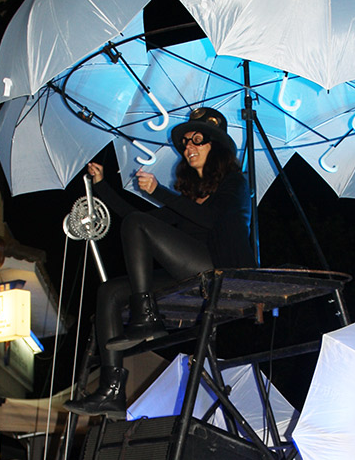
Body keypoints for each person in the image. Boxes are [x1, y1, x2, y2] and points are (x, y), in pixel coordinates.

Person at [70, 108, 253, 417]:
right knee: (110, 293)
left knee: (140, 225)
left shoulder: (234, 184)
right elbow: (135, 220)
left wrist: (161, 193)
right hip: (193, 274)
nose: (188, 148)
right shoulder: (192, 193)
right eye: (185, 143)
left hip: (222, 270)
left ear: (216, 147)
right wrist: (102, 186)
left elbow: (210, 220)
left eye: (198, 141)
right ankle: (111, 389)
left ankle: (145, 315)